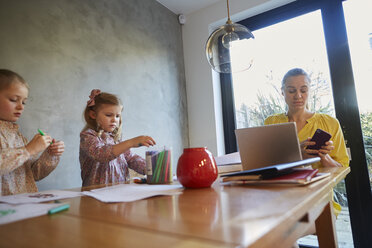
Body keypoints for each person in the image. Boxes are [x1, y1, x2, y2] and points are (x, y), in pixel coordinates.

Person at [264, 68, 349, 217]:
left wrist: (323, 156)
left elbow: (342, 171)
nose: (298, 96)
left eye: (303, 90)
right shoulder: (272, 122)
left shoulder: (329, 123)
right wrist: (298, 154)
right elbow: (266, 165)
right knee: (278, 228)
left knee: (286, 229)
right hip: (281, 197)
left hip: (317, 199)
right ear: (282, 92)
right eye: (291, 90)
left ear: (309, 91)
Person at [0, 69, 65, 196]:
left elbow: (34, 175)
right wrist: (28, 150)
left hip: (23, 204)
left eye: (23, 102)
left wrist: (50, 155)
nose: (21, 106)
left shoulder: (18, 136)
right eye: (14, 99)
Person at [79, 89, 156, 187]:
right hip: (95, 194)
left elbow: (130, 158)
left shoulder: (115, 139)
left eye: (117, 116)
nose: (114, 120)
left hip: (119, 192)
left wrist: (149, 168)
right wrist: (130, 142)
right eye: (108, 115)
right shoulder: (87, 137)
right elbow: (101, 154)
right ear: (93, 115)